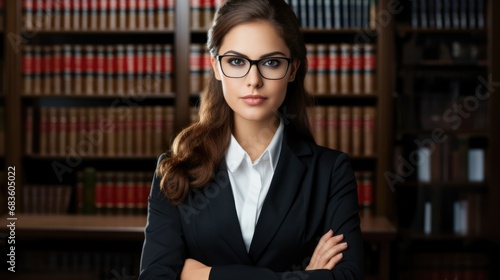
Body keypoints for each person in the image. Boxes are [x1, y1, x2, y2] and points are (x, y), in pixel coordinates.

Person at [138, 0, 363, 279]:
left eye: (271, 62)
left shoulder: (331, 171)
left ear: (292, 69)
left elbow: (347, 277)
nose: (253, 80)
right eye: (236, 61)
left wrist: (205, 275)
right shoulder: (175, 171)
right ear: (216, 67)